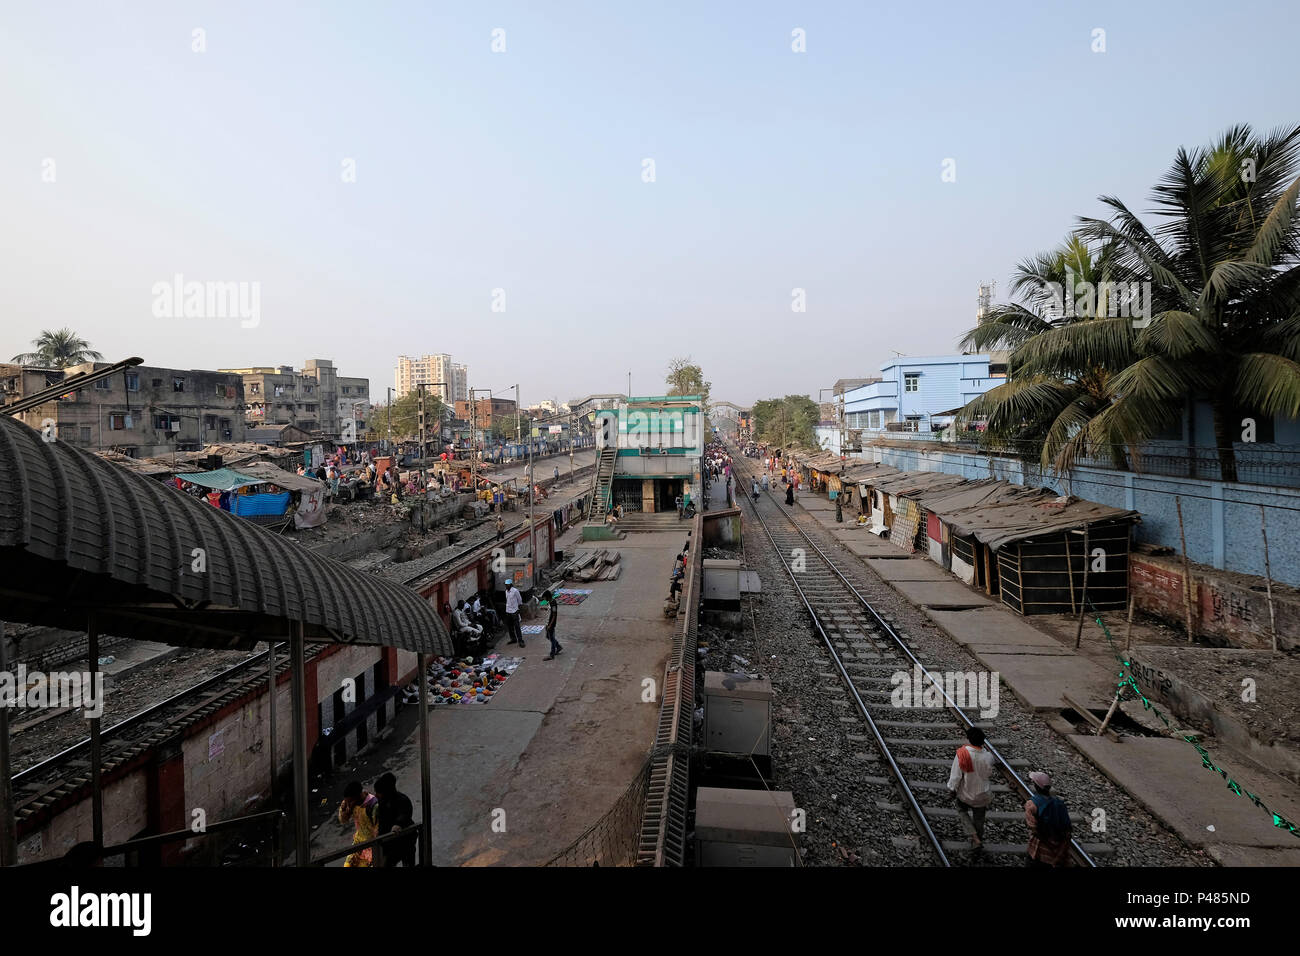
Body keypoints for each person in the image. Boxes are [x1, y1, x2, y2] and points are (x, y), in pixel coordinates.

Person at [946, 726, 996, 849]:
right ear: (983, 742)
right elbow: (989, 773)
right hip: (982, 795)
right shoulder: (988, 757)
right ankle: (977, 841)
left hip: (966, 794)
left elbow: (956, 776)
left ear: (968, 739)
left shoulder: (963, 754)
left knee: (961, 810)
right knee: (979, 818)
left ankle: (973, 836)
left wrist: (952, 789)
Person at [1025, 771, 1073, 867]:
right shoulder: (1059, 804)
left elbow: (1033, 827)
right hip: (1056, 851)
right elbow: (1067, 830)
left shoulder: (1031, 804)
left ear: (1035, 786)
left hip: (1038, 850)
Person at [373, 772, 417, 867]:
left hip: (405, 841)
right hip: (388, 844)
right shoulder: (382, 802)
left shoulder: (402, 800)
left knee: (407, 862)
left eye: (378, 792)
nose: (376, 795)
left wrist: (398, 824)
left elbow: (405, 814)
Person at [338, 781, 379, 867]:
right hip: (358, 843)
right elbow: (343, 820)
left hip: (371, 847)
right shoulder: (348, 802)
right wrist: (344, 811)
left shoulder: (373, 806)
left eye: (350, 802)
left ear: (358, 796)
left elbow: (378, 832)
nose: (348, 804)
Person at [541, 589, 563, 660]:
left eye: (544, 598)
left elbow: (554, 615)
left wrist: (550, 625)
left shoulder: (553, 603)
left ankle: (552, 654)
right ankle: (558, 646)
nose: (544, 599)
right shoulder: (550, 602)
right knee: (548, 636)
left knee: (552, 638)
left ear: (547, 596)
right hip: (548, 622)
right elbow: (550, 611)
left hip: (551, 624)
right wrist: (545, 608)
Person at [504, 578, 524, 647]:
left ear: (511, 585)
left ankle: (520, 640)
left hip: (514, 611)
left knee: (517, 626)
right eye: (506, 585)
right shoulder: (506, 591)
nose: (506, 586)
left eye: (507, 585)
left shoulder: (515, 591)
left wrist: (518, 609)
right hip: (508, 611)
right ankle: (513, 639)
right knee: (510, 626)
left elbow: (519, 600)